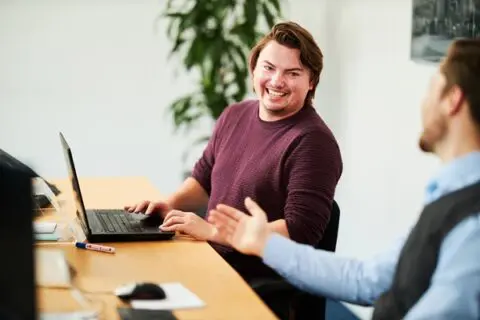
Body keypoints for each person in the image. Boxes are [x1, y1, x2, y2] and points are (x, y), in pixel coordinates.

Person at [208, 39, 480, 320]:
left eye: (431, 87)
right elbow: (366, 279)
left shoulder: (473, 221)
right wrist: (265, 242)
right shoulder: (450, 195)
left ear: (452, 100)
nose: (424, 101)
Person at [125, 21, 343, 282]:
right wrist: (169, 204)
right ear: (254, 70)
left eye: (292, 73)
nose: (277, 81)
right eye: (269, 68)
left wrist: (215, 232)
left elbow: (301, 230)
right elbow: (203, 181)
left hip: (254, 279)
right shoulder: (235, 114)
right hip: (209, 258)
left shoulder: (314, 142)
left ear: (311, 82)